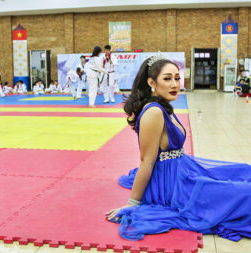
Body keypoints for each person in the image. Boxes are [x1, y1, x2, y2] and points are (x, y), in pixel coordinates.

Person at [106, 56, 251, 242]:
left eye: (177, 78)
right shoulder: (154, 112)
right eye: (167, 79)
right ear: (151, 82)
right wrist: (133, 204)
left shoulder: (165, 108)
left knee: (244, 171)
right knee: (245, 193)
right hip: (174, 187)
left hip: (185, 170)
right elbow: (146, 161)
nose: (174, 84)